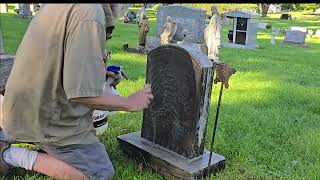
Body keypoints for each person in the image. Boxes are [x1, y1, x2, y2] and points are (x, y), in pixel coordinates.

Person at [0, 4, 153, 180]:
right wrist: (129, 103)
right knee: (98, 173)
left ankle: (10, 134)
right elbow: (81, 94)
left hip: (22, 105)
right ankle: (10, 155)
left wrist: (94, 71)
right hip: (44, 115)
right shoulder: (89, 12)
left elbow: (56, 56)